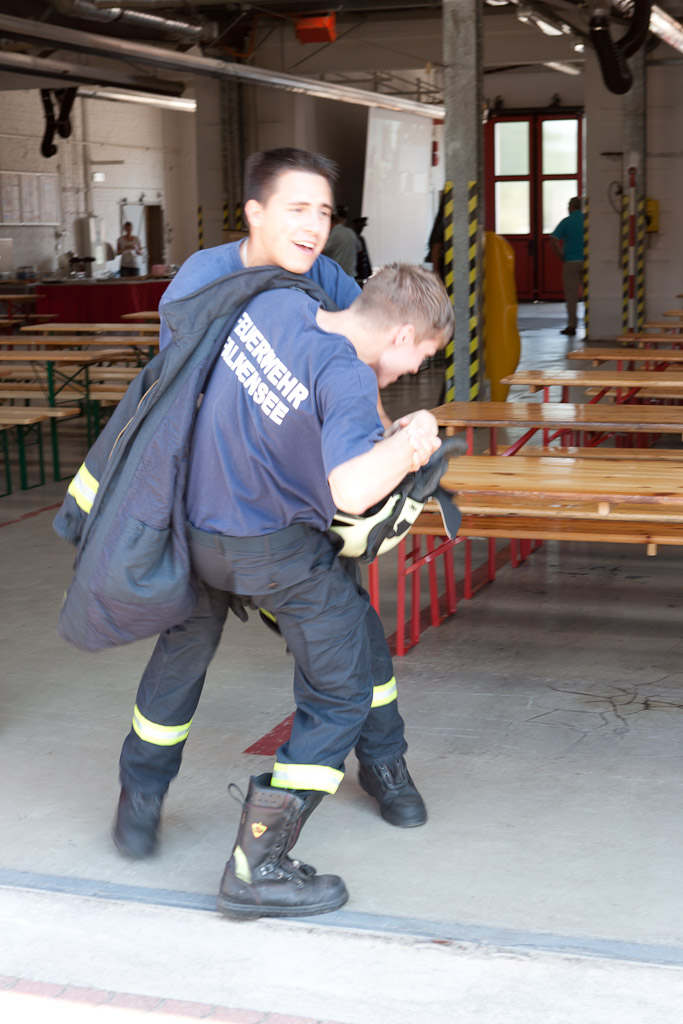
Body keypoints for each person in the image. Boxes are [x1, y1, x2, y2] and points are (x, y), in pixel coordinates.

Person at [113, 148, 429, 864]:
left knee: (354, 636)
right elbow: (176, 399)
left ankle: (385, 764)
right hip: (202, 504)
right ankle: (142, 793)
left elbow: (360, 364)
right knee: (183, 649)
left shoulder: (325, 279)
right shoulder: (202, 281)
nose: (313, 225)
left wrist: (380, 442)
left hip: (294, 514)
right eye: (297, 209)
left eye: (323, 211)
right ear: (255, 213)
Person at [182, 262, 453, 919]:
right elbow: (351, 491)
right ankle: (256, 868)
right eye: (421, 356)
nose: (414, 369)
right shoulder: (346, 373)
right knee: (340, 695)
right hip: (273, 551)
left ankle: (385, 770)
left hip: (205, 528)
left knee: (355, 629)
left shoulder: (279, 310)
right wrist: (413, 444)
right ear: (402, 334)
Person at [550, 197, 584, 337]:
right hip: (587, 262)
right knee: (590, 294)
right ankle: (591, 323)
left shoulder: (566, 221)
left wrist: (561, 255)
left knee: (571, 295)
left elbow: (553, 239)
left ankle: (572, 325)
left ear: (571, 207)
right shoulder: (587, 220)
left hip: (570, 262)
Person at [322, 204, 362, 277]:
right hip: (350, 275)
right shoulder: (351, 232)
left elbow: (321, 251)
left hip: (336, 276)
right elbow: (359, 250)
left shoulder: (334, 235)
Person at [351, 216, 372, 285]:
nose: (361, 229)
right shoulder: (352, 239)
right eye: (360, 227)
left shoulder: (361, 239)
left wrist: (368, 272)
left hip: (362, 274)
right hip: (356, 274)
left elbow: (365, 256)